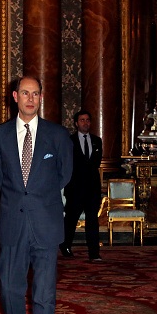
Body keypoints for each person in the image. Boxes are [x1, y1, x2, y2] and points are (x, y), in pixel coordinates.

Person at [0, 76, 73, 314]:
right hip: (12, 222)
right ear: (14, 96)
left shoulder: (58, 135)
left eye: (35, 94)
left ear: (40, 98)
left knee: (44, 294)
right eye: (25, 93)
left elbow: (64, 175)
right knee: (10, 287)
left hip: (46, 223)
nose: (30, 98)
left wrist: (40, 198)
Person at [60, 110, 103, 261]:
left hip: (92, 188)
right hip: (75, 188)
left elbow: (96, 163)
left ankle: (94, 253)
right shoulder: (69, 141)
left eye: (87, 120)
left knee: (92, 221)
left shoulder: (97, 140)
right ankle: (65, 245)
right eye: (82, 120)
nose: (85, 123)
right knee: (71, 219)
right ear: (76, 123)